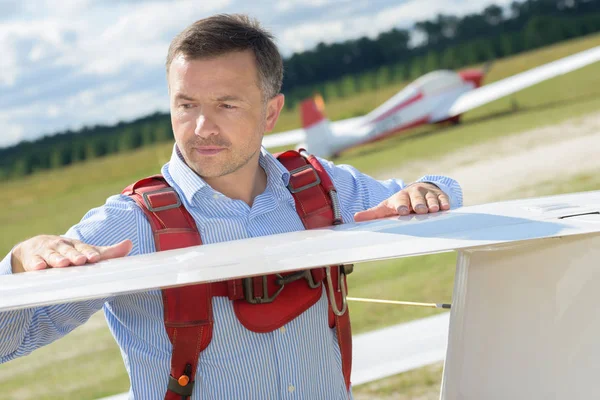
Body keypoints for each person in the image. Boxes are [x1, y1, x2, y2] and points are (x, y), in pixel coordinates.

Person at [0, 14, 462, 399]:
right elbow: (7, 343)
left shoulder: (320, 187)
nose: (202, 127)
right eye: (186, 105)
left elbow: (440, 194)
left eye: (226, 105)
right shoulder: (130, 223)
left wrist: (428, 190)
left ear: (270, 112)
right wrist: (20, 264)